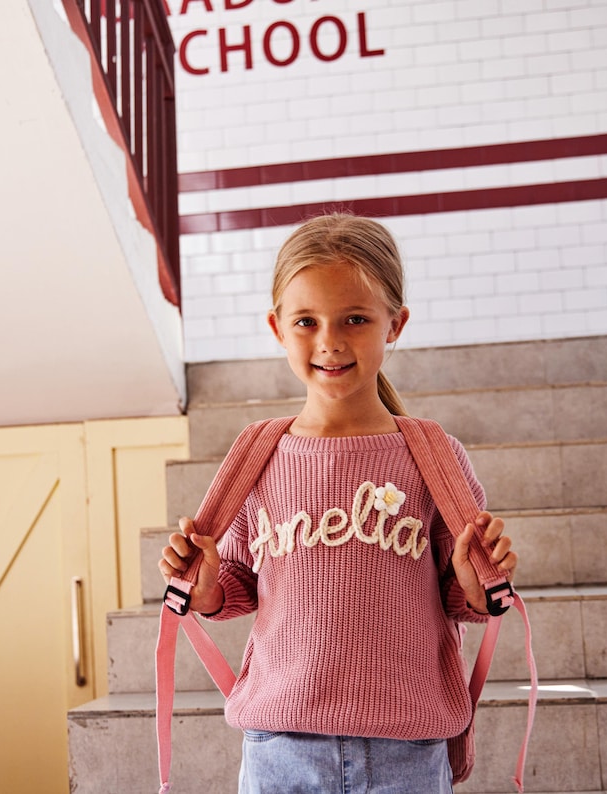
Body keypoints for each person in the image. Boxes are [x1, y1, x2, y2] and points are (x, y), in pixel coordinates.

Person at [159, 213, 517, 794]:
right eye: (307, 321)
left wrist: (479, 586)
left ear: (394, 325)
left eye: (355, 318)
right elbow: (236, 586)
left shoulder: (434, 457)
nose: (330, 339)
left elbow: (462, 600)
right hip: (280, 750)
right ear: (278, 328)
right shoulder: (259, 456)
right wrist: (205, 589)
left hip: (409, 749)